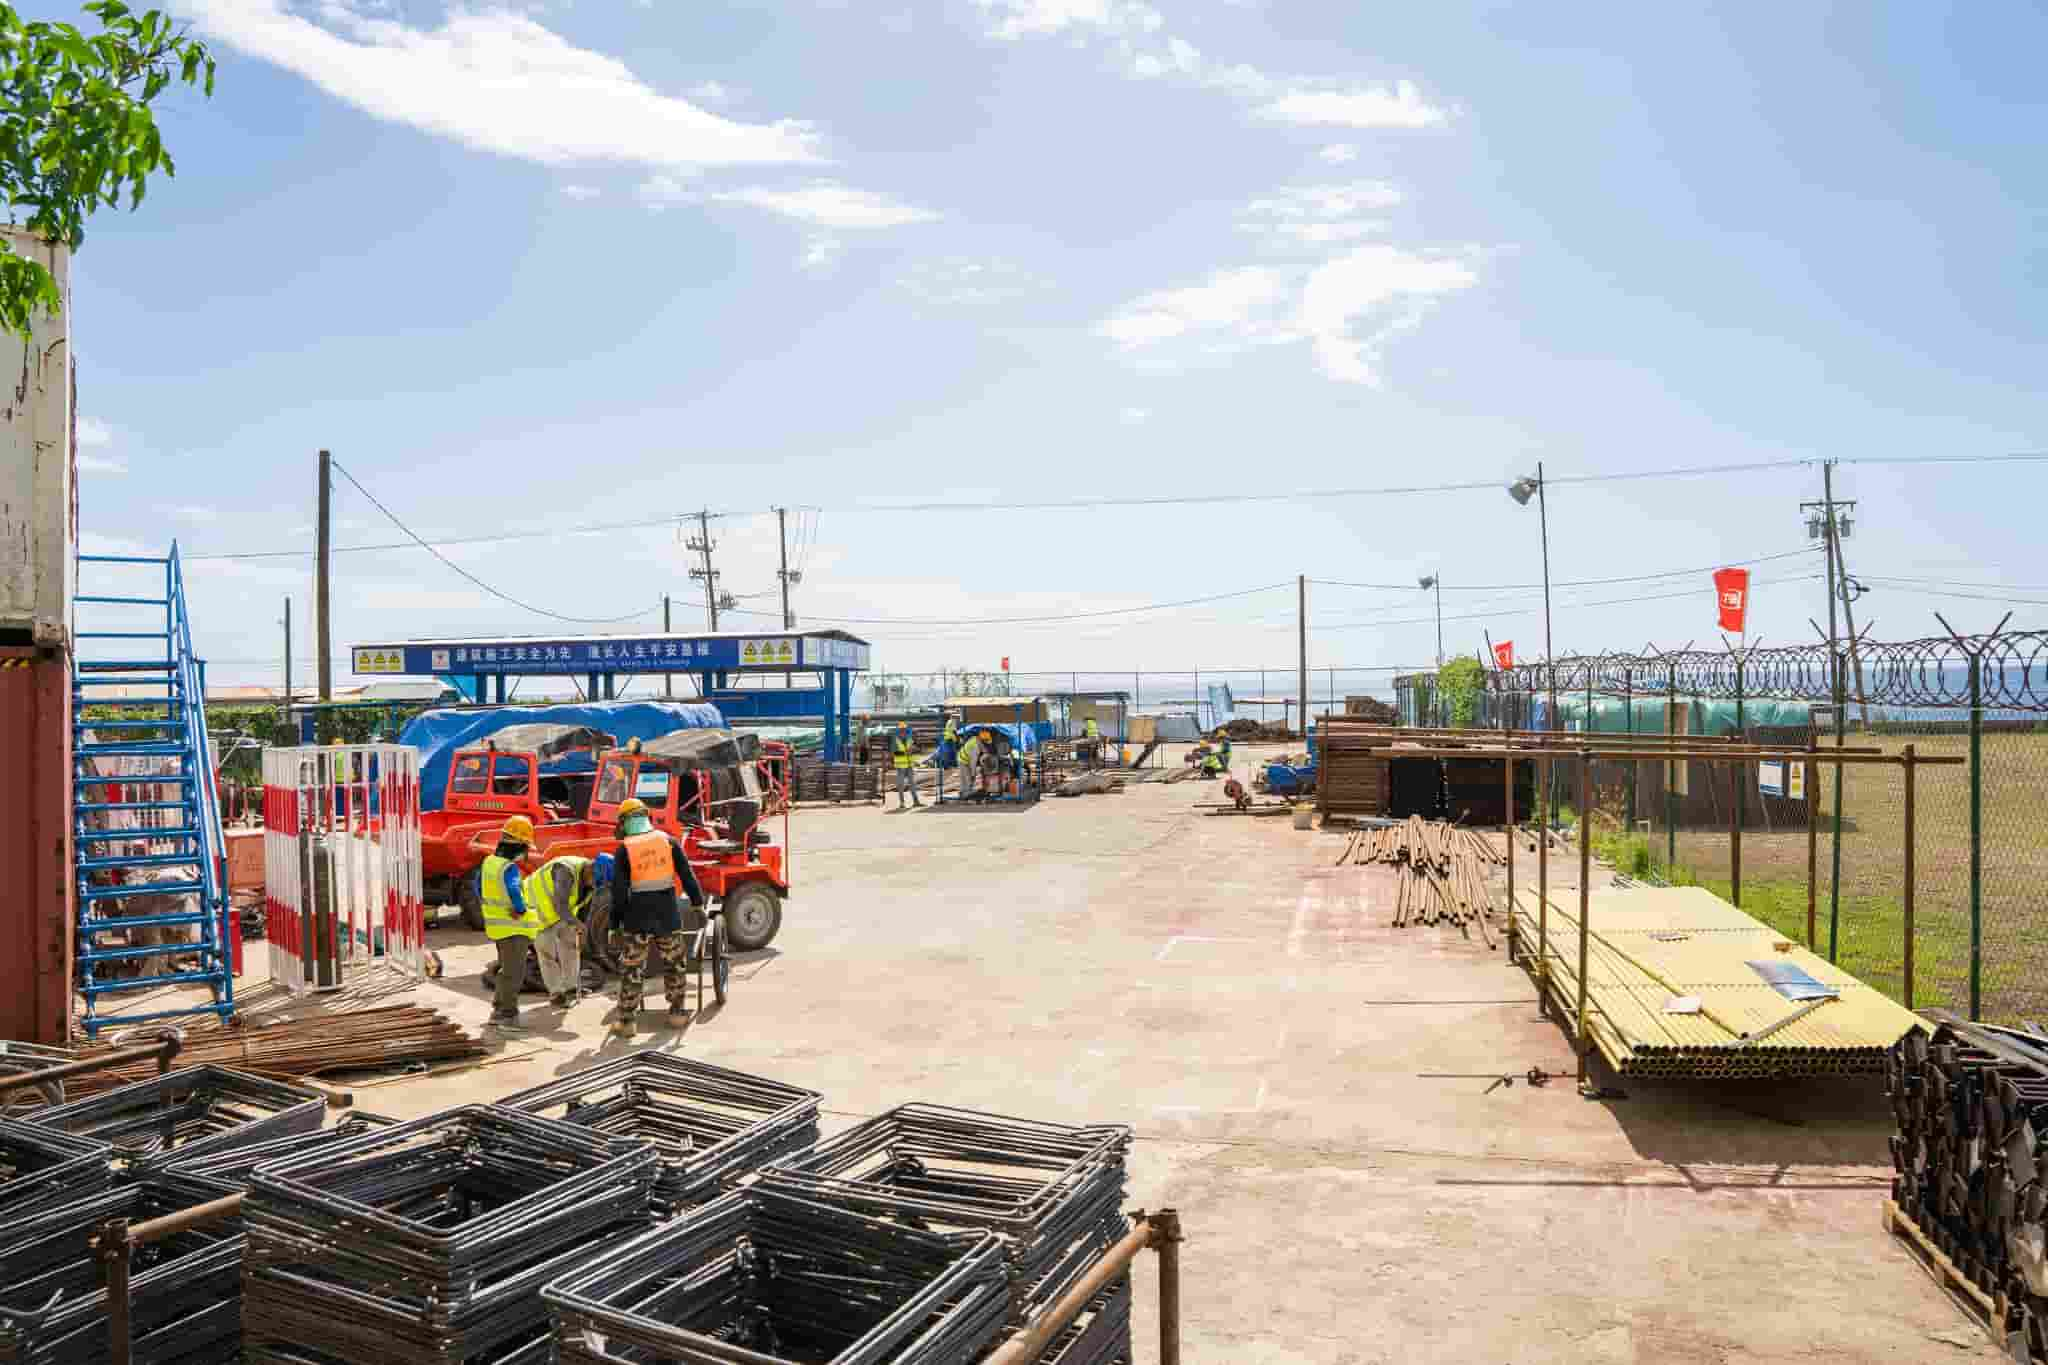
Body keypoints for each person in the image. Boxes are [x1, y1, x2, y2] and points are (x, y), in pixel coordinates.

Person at [608, 797, 708, 1036]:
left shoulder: (625, 850)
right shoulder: (669, 842)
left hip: (636, 919)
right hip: (667, 917)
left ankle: (627, 1021)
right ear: (646, 817)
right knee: (675, 964)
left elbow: (619, 893)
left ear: (625, 821)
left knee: (632, 968)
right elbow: (687, 876)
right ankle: (676, 1013)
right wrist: (698, 905)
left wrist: (614, 924)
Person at [479, 816, 541, 1032]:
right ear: (517, 845)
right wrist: (521, 908)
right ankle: (506, 1015)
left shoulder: (488, 863)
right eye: (524, 847)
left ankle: (499, 1010)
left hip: (497, 928)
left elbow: (480, 889)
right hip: (514, 929)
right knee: (514, 973)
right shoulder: (508, 868)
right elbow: (515, 890)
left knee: (507, 971)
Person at [525, 851, 608, 1008]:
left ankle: (570, 987)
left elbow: (584, 905)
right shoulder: (565, 871)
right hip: (537, 910)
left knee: (571, 947)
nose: (594, 885)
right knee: (547, 952)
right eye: (595, 881)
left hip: (562, 915)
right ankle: (556, 993)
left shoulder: (589, 879)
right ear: (590, 869)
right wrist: (578, 924)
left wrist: (581, 928)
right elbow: (559, 905)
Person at [891, 722, 922, 811]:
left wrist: (913, 750)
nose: (903, 732)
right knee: (901, 785)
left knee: (912, 784)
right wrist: (905, 753)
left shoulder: (909, 739)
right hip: (900, 766)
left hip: (909, 765)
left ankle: (916, 801)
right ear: (899, 731)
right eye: (902, 730)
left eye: (905, 730)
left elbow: (915, 749)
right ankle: (902, 803)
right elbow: (893, 753)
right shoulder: (895, 741)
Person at [941, 712, 963, 801]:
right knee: (950, 753)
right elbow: (954, 731)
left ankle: (948, 765)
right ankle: (949, 765)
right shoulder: (952, 722)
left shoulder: (950, 721)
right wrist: (958, 739)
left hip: (949, 738)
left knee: (948, 753)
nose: (957, 718)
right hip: (950, 739)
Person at [956, 727, 982, 802]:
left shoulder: (975, 738)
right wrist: (973, 774)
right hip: (963, 760)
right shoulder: (976, 747)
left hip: (963, 758)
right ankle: (965, 795)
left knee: (965, 779)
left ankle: (964, 793)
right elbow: (973, 762)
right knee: (967, 778)